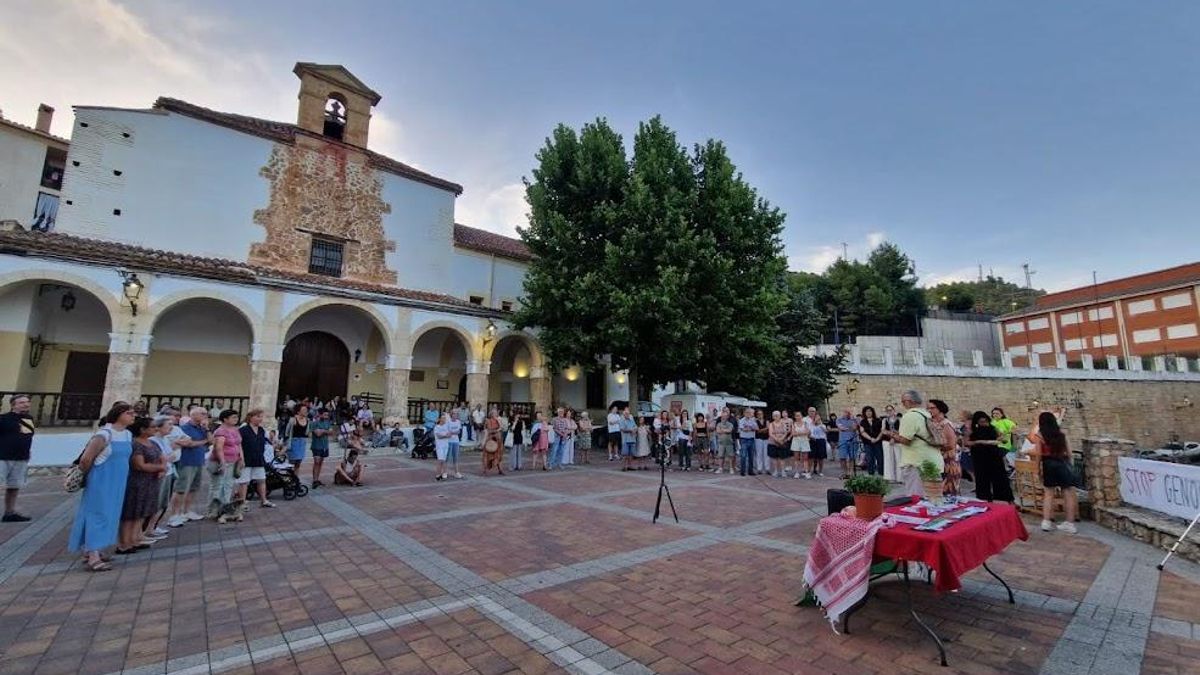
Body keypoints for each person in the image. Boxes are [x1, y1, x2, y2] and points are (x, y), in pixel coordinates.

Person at [69, 403, 136, 571]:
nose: (133, 416)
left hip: (118, 480)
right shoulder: (104, 434)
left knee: (110, 514)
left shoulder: (127, 435)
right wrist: (87, 477)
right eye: (129, 413)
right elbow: (86, 459)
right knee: (97, 514)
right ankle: (93, 556)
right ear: (118, 415)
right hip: (101, 479)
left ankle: (95, 549)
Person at [118, 416, 165, 553]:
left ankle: (135, 538)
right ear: (142, 429)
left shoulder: (152, 443)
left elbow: (162, 458)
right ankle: (124, 543)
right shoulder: (135, 444)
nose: (155, 429)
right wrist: (158, 468)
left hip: (151, 481)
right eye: (152, 427)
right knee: (132, 512)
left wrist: (162, 467)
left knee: (143, 511)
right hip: (137, 481)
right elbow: (139, 465)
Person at [887, 390, 944, 497]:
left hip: (917, 463)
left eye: (903, 401)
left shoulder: (910, 416)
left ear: (910, 401)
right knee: (933, 497)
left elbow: (906, 440)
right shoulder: (927, 414)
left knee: (917, 499)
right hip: (932, 460)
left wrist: (892, 435)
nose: (903, 404)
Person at [1032, 411, 1078, 533]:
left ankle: (1046, 522)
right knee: (1068, 493)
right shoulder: (1062, 433)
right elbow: (1069, 453)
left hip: (1048, 464)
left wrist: (1037, 470)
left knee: (1048, 493)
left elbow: (1038, 454)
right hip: (1062, 463)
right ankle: (1070, 523)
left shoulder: (1040, 435)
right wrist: (1070, 465)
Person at [168, 406, 212, 527]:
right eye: (202, 414)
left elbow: (211, 441)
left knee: (193, 488)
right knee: (181, 488)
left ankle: (187, 511)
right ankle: (174, 514)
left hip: (198, 460)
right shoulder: (185, 428)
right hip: (186, 461)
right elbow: (189, 443)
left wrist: (207, 429)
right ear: (193, 415)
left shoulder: (202, 428)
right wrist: (203, 442)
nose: (205, 416)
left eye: (206, 414)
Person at [144, 415, 180, 539]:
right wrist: (168, 458)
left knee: (163, 502)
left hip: (169, 471)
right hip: (161, 473)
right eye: (168, 425)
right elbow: (163, 457)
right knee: (157, 502)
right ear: (158, 427)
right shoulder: (154, 441)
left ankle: (153, 526)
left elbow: (170, 456)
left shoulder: (165, 439)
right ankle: (148, 529)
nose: (171, 427)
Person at [0, 394, 35, 522]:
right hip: (3, 457)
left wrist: (27, 450)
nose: (26, 404)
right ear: (13, 405)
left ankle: (9, 513)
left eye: (27, 402)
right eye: (21, 402)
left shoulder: (29, 419)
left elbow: (26, 436)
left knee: (14, 486)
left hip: (20, 458)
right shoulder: (4, 419)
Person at [966, 410, 1012, 502]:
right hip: (979, 456)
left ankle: (1003, 498)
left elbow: (1004, 439)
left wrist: (1001, 439)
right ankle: (985, 498)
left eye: (986, 421)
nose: (984, 424)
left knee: (1000, 477)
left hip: (993, 454)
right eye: (982, 422)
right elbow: (967, 442)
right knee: (982, 478)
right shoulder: (972, 430)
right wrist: (980, 441)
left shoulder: (993, 428)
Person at [209, 410, 244, 522]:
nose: (236, 419)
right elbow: (219, 448)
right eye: (233, 417)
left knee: (228, 485)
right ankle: (213, 510)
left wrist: (241, 458)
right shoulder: (220, 431)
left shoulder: (235, 430)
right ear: (225, 419)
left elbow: (238, 445)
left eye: (236, 417)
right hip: (221, 462)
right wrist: (222, 462)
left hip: (233, 461)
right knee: (218, 485)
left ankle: (226, 508)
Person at [238, 409, 273, 508]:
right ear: (251, 417)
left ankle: (264, 500)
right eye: (258, 416)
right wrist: (241, 458)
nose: (260, 419)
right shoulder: (243, 430)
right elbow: (239, 444)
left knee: (261, 480)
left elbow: (268, 441)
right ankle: (242, 502)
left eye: (261, 417)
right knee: (244, 482)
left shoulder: (261, 430)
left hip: (258, 458)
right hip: (247, 458)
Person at [929, 400, 960, 497]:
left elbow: (951, 444)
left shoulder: (946, 424)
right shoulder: (933, 423)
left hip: (948, 461)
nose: (929, 410)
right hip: (937, 460)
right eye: (928, 408)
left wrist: (934, 445)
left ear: (940, 409)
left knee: (948, 491)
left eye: (932, 408)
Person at [309, 409, 333, 488]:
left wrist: (322, 431)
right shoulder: (314, 423)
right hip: (316, 445)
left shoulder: (328, 422)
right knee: (317, 461)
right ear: (320, 414)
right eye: (325, 415)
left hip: (324, 445)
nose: (326, 417)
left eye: (327, 415)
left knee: (321, 462)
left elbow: (331, 432)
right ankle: (314, 480)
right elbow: (317, 433)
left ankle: (317, 479)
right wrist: (326, 431)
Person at [858, 406, 884, 477]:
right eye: (867, 411)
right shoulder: (863, 422)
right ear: (864, 413)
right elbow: (862, 432)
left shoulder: (878, 420)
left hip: (878, 442)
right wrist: (870, 438)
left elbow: (882, 431)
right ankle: (871, 474)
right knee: (869, 459)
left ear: (872, 412)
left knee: (880, 458)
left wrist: (877, 439)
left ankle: (881, 474)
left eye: (870, 411)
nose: (868, 413)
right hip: (868, 443)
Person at [284, 404, 310, 471]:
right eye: (304, 410)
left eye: (306, 410)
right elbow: (287, 432)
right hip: (294, 442)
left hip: (302, 442)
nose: (306, 411)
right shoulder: (293, 420)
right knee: (292, 462)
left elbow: (307, 432)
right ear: (298, 412)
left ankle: (296, 478)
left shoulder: (307, 420)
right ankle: (290, 478)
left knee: (298, 462)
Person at [835, 409, 858, 478]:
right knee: (842, 457)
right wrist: (850, 428)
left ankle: (850, 473)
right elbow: (841, 428)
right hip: (843, 441)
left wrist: (853, 420)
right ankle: (844, 472)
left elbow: (855, 428)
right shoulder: (839, 420)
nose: (847, 414)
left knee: (852, 457)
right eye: (845, 412)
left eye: (848, 413)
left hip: (853, 440)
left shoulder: (854, 419)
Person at [766, 411, 790, 477]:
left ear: (780, 416)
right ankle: (775, 471)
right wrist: (777, 440)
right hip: (773, 443)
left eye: (778, 415)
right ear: (773, 417)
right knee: (774, 458)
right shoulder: (771, 424)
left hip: (782, 443)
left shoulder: (783, 424)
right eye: (775, 415)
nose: (776, 417)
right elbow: (770, 434)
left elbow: (785, 433)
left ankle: (782, 471)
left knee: (782, 458)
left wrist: (781, 439)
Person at [806, 407, 828, 477]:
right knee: (811, 457)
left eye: (818, 418)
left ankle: (820, 471)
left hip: (821, 441)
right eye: (816, 418)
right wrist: (810, 436)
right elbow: (809, 432)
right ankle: (809, 470)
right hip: (813, 440)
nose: (817, 420)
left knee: (820, 457)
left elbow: (826, 431)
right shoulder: (811, 425)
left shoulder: (823, 425)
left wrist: (820, 424)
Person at [882, 404, 901, 482]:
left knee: (899, 458)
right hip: (887, 441)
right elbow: (883, 430)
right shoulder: (884, 420)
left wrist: (893, 437)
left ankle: (900, 477)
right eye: (888, 410)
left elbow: (901, 430)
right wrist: (891, 435)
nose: (889, 412)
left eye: (891, 410)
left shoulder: (899, 419)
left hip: (898, 441)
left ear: (894, 410)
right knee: (888, 458)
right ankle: (890, 477)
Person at [789, 410, 811, 478]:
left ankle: (806, 472)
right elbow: (793, 434)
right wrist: (802, 433)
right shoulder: (793, 424)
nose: (798, 417)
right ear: (795, 417)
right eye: (796, 416)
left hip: (804, 441)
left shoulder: (805, 423)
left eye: (799, 415)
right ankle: (797, 472)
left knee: (805, 458)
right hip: (796, 441)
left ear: (802, 416)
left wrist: (798, 433)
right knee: (796, 458)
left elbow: (808, 432)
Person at [737, 408, 758, 477]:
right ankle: (743, 471)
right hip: (744, 439)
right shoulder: (741, 420)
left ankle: (750, 471)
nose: (748, 414)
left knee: (751, 456)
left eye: (749, 413)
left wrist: (749, 428)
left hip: (751, 439)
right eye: (747, 413)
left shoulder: (753, 420)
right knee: (743, 455)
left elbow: (756, 428)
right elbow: (743, 429)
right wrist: (751, 428)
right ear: (744, 413)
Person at [433, 413, 453, 480]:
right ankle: (438, 474)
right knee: (440, 460)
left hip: (445, 445)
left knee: (444, 460)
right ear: (440, 419)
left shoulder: (446, 426)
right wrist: (445, 436)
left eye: (445, 418)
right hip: (439, 446)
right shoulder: (437, 427)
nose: (444, 419)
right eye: (443, 418)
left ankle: (443, 473)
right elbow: (439, 436)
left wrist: (447, 435)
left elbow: (450, 434)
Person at [715, 410, 734, 474]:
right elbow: (718, 431)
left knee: (730, 456)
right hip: (721, 442)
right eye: (723, 416)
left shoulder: (730, 424)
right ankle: (720, 468)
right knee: (720, 456)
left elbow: (729, 430)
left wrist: (722, 430)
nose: (724, 417)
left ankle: (731, 468)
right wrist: (725, 430)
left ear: (727, 417)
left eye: (725, 416)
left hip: (729, 442)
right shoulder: (718, 424)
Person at [446, 410, 464, 479]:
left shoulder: (458, 422)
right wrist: (453, 432)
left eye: (456, 414)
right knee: (447, 457)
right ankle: (445, 472)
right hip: (449, 441)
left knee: (455, 458)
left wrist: (452, 433)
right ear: (451, 415)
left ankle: (457, 472)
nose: (455, 415)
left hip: (456, 441)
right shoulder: (448, 422)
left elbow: (458, 431)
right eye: (454, 414)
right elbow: (447, 432)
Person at [753, 409, 769, 474]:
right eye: (758, 414)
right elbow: (757, 430)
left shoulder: (766, 421)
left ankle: (767, 468)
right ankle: (759, 468)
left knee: (766, 454)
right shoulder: (755, 421)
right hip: (758, 439)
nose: (760, 415)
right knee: (759, 454)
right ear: (756, 415)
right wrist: (765, 429)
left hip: (766, 439)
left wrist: (761, 430)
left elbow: (768, 429)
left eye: (761, 414)